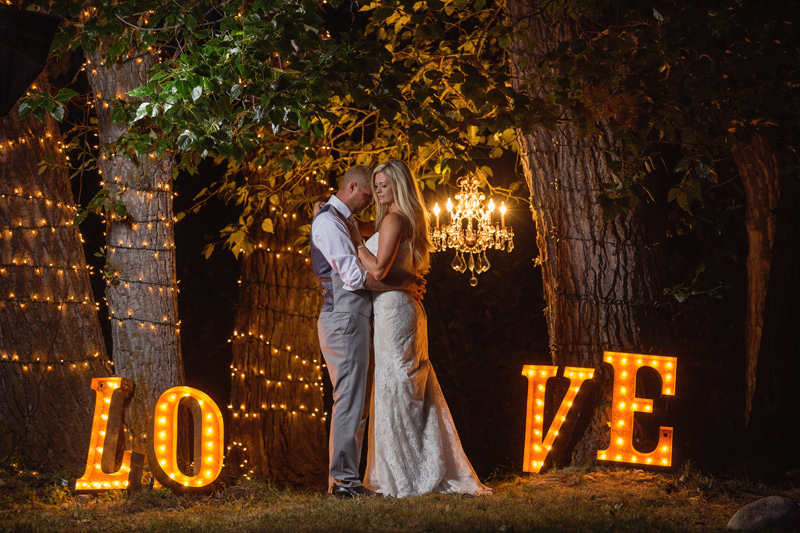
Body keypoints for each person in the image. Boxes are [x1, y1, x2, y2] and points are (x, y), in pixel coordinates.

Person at [355, 160, 491, 498]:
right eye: (376, 185)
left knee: (397, 386)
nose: (378, 191)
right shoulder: (402, 218)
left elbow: (380, 269)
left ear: (398, 185)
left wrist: (355, 247)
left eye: (384, 185)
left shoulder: (394, 218)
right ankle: (415, 466)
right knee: (405, 385)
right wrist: (344, 221)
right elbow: (373, 237)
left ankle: (406, 474)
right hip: (401, 310)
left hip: (394, 311)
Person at [309, 164, 422, 499]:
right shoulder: (330, 222)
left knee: (356, 401)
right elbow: (354, 277)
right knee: (350, 401)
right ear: (354, 187)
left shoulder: (339, 220)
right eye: (369, 194)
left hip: (352, 317)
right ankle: (344, 482)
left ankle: (347, 479)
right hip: (343, 317)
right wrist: (403, 281)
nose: (371, 201)